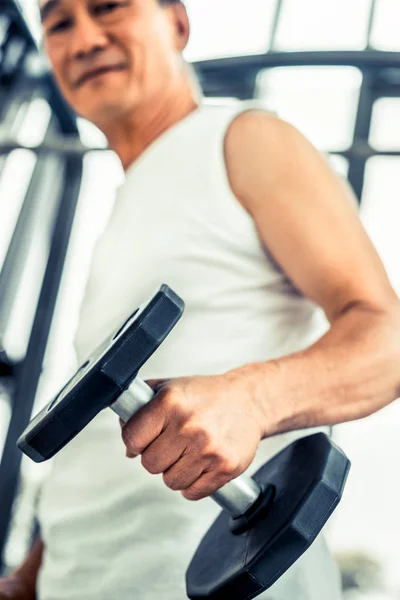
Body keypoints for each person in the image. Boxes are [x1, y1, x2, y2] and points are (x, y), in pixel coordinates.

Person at [2, 0, 400, 598]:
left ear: (177, 25)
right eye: (60, 23)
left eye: (108, 8)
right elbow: (97, 450)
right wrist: (31, 577)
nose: (83, 39)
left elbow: (386, 339)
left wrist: (253, 399)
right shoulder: (120, 213)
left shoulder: (243, 138)